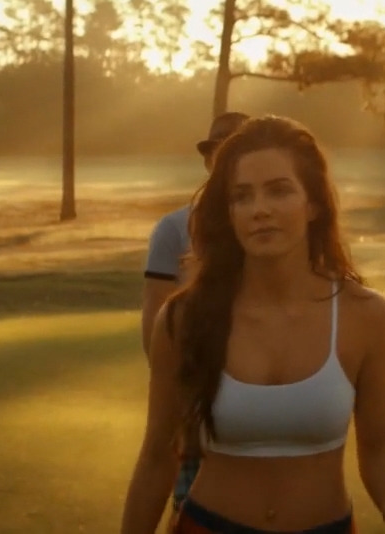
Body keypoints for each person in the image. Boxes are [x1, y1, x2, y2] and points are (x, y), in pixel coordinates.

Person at [121, 116, 385, 534]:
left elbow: (379, 453)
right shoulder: (184, 319)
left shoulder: (369, 317)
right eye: (242, 196)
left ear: (314, 204)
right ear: (229, 213)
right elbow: (157, 457)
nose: (260, 210)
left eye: (279, 190)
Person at [141, 111, 249, 514]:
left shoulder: (271, 225)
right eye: (214, 152)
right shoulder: (174, 230)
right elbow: (157, 323)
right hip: (198, 400)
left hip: (263, 395)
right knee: (194, 510)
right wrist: (180, 397)